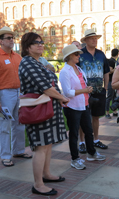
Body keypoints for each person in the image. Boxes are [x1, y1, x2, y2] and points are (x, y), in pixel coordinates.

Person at [18, 32, 69, 196]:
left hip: (47, 108)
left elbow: (51, 83)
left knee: (47, 145)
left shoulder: (37, 62)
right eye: (36, 42)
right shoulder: (27, 63)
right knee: (40, 147)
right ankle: (38, 184)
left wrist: (59, 97)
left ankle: (46, 175)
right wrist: (63, 98)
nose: (41, 44)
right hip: (38, 110)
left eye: (41, 42)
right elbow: (45, 87)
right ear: (27, 46)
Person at [0, 26, 32, 168]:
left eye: (12, 38)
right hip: (4, 93)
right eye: (8, 38)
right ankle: (6, 156)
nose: (11, 40)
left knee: (19, 123)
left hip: (19, 92)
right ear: (0, 41)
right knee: (5, 126)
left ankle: (18, 151)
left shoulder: (17, 56)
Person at [59, 45, 106, 170]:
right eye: (76, 54)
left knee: (88, 131)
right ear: (69, 57)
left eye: (78, 54)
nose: (79, 56)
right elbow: (67, 92)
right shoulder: (65, 72)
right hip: (72, 107)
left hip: (84, 104)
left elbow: (82, 84)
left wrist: (87, 90)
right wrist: (84, 90)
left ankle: (91, 153)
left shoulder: (78, 69)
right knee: (74, 134)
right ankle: (75, 159)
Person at [79, 29, 110, 149]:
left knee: (96, 117)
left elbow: (106, 71)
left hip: (98, 91)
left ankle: (96, 139)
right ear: (86, 40)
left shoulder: (101, 54)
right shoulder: (80, 54)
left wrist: (106, 87)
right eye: (92, 38)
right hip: (84, 92)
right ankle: (82, 142)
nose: (94, 40)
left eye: (96, 38)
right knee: (83, 117)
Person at [72, 40, 87, 154]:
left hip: (85, 98)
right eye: (74, 48)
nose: (77, 50)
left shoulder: (81, 64)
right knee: (76, 126)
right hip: (74, 100)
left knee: (86, 123)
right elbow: (67, 91)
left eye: (78, 47)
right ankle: (80, 143)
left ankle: (86, 142)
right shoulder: (69, 68)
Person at [105, 48, 119, 119]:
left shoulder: (113, 61)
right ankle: (107, 112)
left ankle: (114, 111)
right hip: (110, 81)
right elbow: (110, 71)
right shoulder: (111, 61)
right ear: (117, 54)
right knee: (109, 97)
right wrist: (116, 69)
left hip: (114, 81)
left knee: (114, 97)